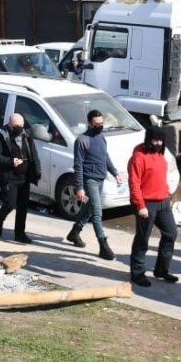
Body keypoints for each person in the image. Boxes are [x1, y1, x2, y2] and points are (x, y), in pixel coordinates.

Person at [65, 108, 124, 260]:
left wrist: (115, 173)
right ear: (90, 124)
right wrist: (79, 187)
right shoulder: (82, 141)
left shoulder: (101, 137)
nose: (100, 126)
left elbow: (105, 157)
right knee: (97, 212)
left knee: (91, 209)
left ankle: (74, 233)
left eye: (102, 123)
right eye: (97, 123)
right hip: (89, 180)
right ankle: (103, 246)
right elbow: (78, 165)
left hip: (100, 179)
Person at [127, 125, 177, 287]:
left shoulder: (161, 154)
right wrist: (140, 205)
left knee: (171, 234)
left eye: (160, 140)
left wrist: (168, 194)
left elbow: (163, 176)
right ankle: (137, 273)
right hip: (146, 203)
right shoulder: (139, 157)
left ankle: (162, 270)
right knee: (143, 239)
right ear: (148, 139)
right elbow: (134, 183)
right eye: (155, 140)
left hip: (163, 202)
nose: (158, 143)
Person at [0, 112, 40, 242]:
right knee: (10, 204)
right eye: (17, 125)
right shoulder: (1, 137)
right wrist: (11, 161)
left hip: (24, 176)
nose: (20, 128)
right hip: (8, 176)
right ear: (10, 125)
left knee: (23, 206)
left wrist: (37, 170)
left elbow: (33, 154)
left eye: (22, 125)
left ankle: (20, 234)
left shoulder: (27, 136)